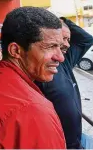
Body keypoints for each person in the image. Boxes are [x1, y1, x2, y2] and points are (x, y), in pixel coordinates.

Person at [0, 7, 66, 149]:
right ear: (16, 50)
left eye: (60, 47)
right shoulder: (33, 112)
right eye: (50, 46)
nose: (60, 57)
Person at [35, 17, 93, 149]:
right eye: (63, 39)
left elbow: (87, 39)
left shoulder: (64, 60)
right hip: (61, 144)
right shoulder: (38, 71)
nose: (66, 44)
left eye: (68, 40)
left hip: (77, 139)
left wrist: (62, 20)